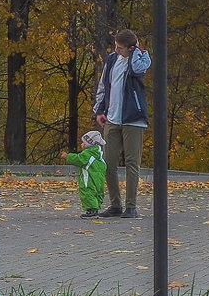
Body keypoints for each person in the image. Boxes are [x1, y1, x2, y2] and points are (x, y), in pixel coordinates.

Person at [92, 28, 151, 218]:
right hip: (112, 118)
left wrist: (134, 53)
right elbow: (104, 86)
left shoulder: (141, 59)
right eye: (115, 47)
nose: (117, 51)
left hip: (133, 119)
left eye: (121, 48)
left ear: (131, 48)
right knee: (108, 164)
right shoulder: (112, 60)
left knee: (132, 164)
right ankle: (115, 204)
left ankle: (131, 206)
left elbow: (136, 70)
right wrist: (100, 110)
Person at [62, 130, 107, 219]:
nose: (82, 145)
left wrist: (67, 156)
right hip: (99, 179)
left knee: (87, 192)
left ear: (90, 144)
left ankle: (92, 210)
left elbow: (78, 159)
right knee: (98, 192)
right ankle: (96, 208)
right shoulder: (99, 154)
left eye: (83, 143)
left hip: (88, 179)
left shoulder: (87, 154)